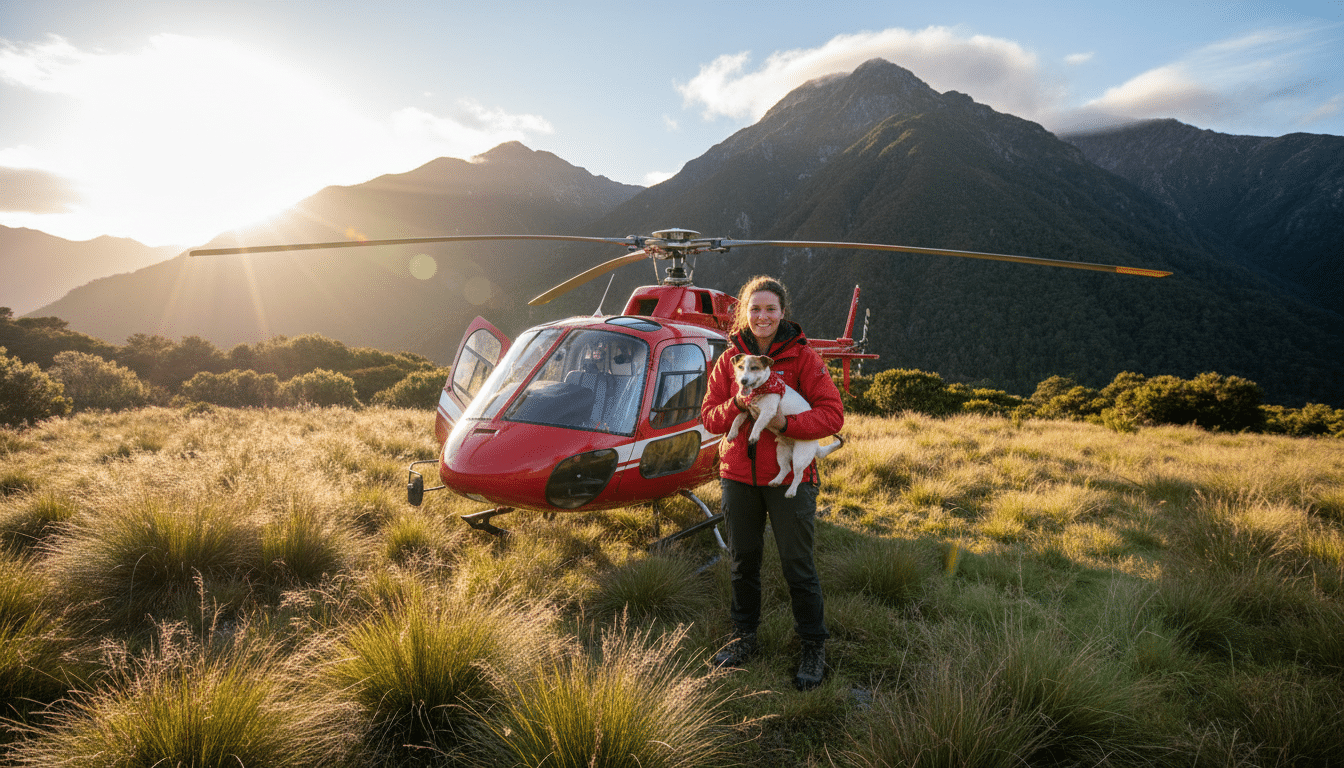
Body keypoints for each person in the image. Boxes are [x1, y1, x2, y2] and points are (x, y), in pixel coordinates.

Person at [700, 275, 844, 691]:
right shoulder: (729, 361)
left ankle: (813, 645)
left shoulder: (803, 358)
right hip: (738, 475)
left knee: (797, 565)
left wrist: (786, 423)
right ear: (744, 312)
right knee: (743, 562)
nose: (762, 316)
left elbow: (832, 416)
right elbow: (710, 417)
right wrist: (737, 404)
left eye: (771, 309)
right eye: (755, 309)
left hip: (788, 478)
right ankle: (743, 636)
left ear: (783, 313)